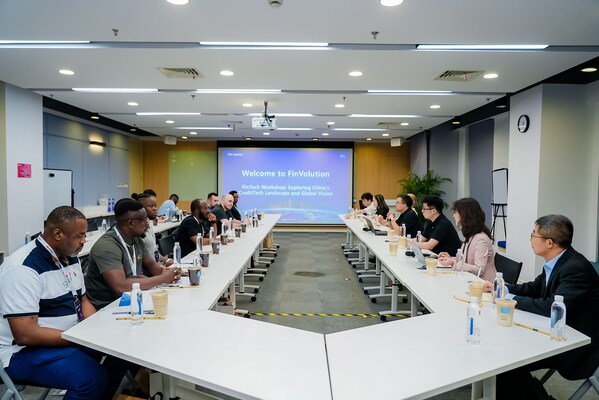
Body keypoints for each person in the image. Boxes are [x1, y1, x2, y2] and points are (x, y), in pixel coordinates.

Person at [0, 206, 131, 400]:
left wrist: (98, 329)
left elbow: (83, 300)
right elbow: (25, 334)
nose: (84, 241)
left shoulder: (70, 257)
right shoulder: (23, 268)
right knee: (91, 378)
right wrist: (81, 336)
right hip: (21, 352)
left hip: (67, 337)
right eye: (80, 236)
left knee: (124, 348)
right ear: (58, 234)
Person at [487, 215, 599, 400]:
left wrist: (510, 299)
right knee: (501, 356)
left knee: (504, 365)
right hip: (554, 334)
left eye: (533, 234)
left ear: (549, 243)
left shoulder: (575, 268)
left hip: (577, 347)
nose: (530, 239)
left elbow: (551, 308)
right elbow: (534, 288)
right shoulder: (558, 261)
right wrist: (503, 288)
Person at [85, 198, 181, 310]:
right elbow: (120, 287)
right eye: (144, 220)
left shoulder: (136, 239)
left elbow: (152, 266)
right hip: (108, 307)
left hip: (133, 299)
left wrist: (170, 272)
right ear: (130, 223)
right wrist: (162, 278)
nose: (147, 224)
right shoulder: (107, 246)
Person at [438, 198, 496, 281]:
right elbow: (466, 261)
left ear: (464, 214)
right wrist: (451, 258)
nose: (453, 215)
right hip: (470, 280)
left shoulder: (481, 239)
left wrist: (453, 262)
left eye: (455, 212)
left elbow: (479, 269)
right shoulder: (471, 235)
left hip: (483, 284)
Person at [135, 193, 173, 266]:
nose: (155, 209)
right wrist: (161, 268)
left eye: (155, 206)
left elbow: (154, 252)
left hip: (157, 266)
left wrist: (166, 260)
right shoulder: (137, 231)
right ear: (140, 209)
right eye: (150, 206)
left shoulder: (148, 225)